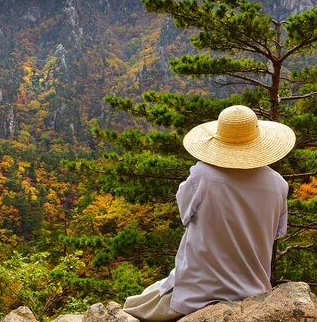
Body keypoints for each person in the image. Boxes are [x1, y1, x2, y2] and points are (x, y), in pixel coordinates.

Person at [123, 105, 295, 321]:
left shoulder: (203, 174)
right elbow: (278, 232)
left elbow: (185, 213)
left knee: (134, 307)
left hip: (198, 291)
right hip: (254, 290)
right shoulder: (278, 184)